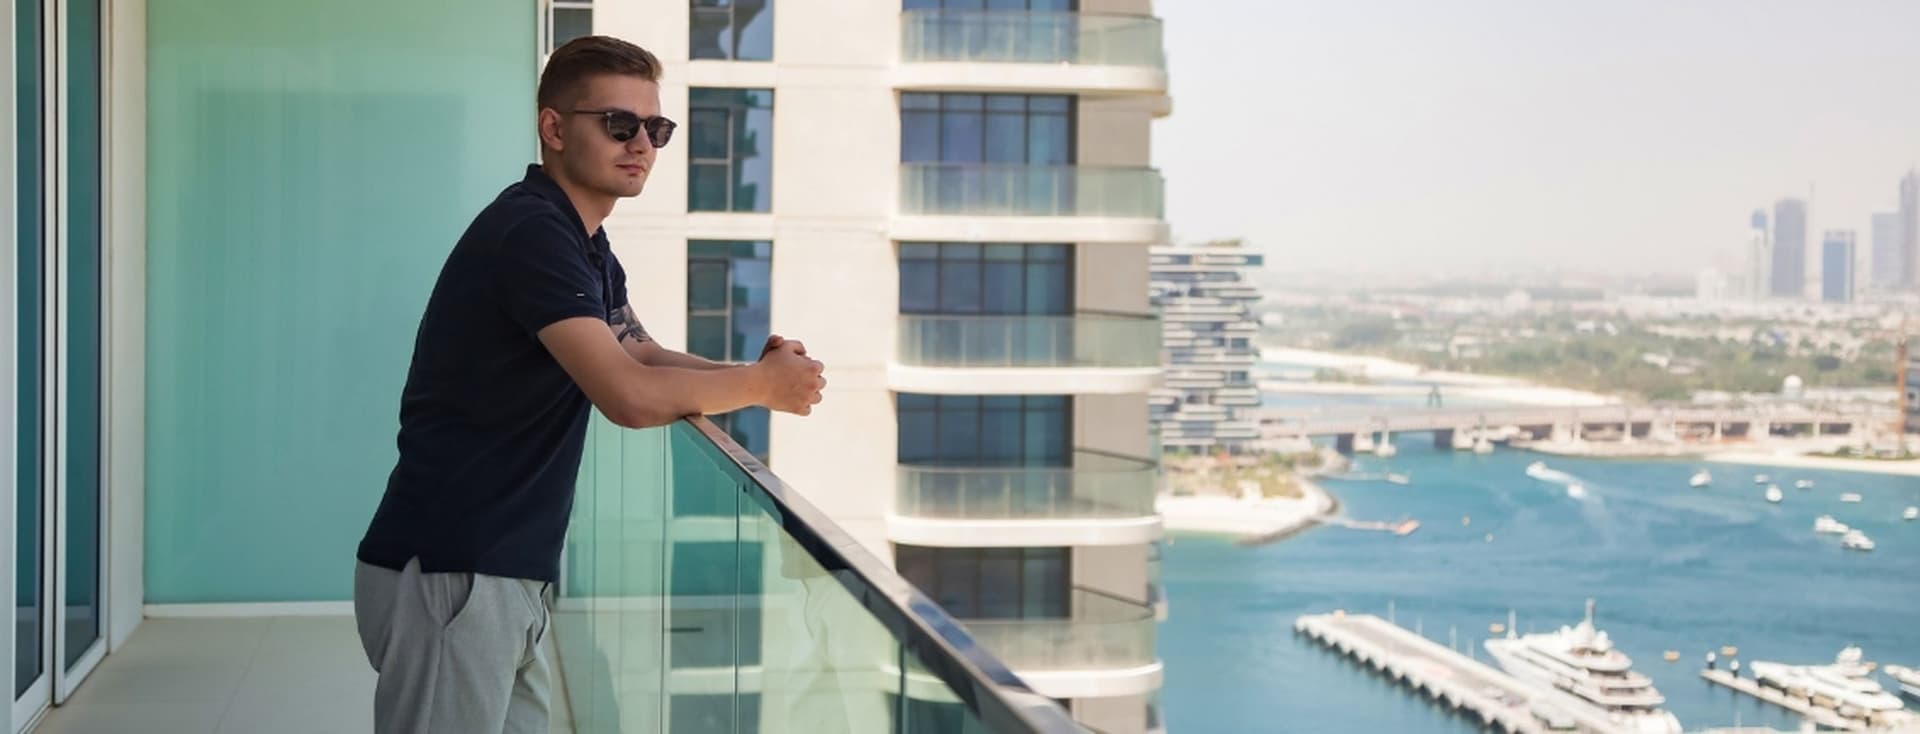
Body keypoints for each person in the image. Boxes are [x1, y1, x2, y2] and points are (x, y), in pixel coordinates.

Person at [351, 35, 825, 734]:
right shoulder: (532, 234)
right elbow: (628, 398)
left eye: (655, 128)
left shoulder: (583, 244)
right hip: (454, 571)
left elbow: (640, 352)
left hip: (503, 570)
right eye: (618, 124)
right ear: (553, 127)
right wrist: (758, 385)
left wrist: (754, 372)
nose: (642, 143)